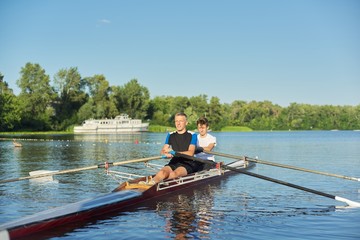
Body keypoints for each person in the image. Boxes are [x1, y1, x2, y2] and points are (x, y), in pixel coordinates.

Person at [147, 113, 199, 185]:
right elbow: (163, 151)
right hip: (174, 161)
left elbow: (191, 153)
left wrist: (173, 152)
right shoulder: (170, 135)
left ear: (186, 123)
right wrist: (166, 154)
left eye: (181, 121)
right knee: (162, 172)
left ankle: (160, 186)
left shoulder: (193, 135)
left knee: (173, 174)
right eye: (176, 121)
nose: (178, 123)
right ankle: (149, 184)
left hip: (188, 162)